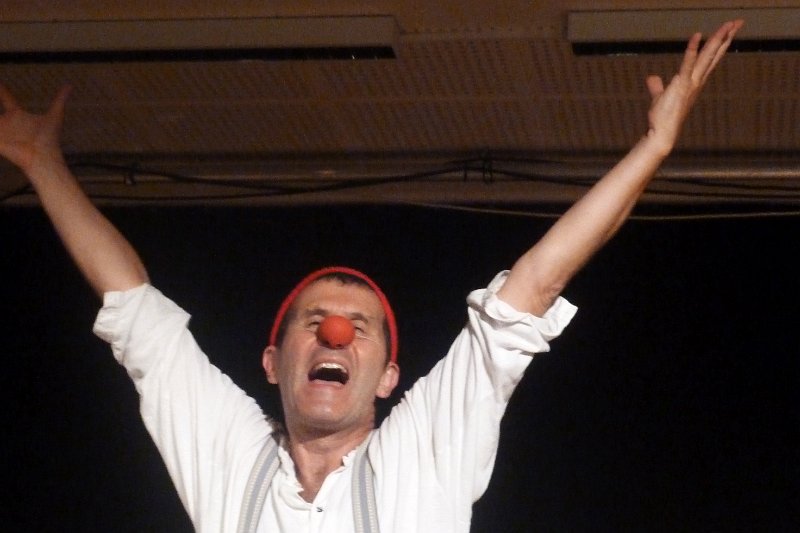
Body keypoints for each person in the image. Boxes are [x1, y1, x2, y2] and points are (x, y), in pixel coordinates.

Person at [0, 19, 742, 533]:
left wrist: (652, 150)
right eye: (315, 321)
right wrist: (43, 166)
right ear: (272, 361)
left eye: (360, 330)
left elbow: (535, 284)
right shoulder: (231, 454)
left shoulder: (422, 451)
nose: (335, 333)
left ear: (389, 377)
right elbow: (136, 314)